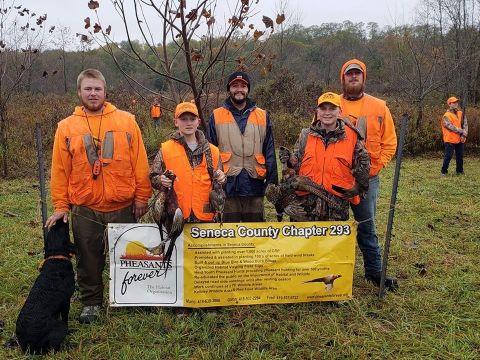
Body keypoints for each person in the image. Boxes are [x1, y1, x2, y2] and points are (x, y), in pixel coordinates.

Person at [45, 69, 152, 324]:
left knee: (128, 254)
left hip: (123, 204)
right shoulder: (66, 127)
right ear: (79, 92)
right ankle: (91, 303)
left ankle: (130, 297)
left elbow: (140, 163)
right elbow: (60, 170)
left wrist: (141, 197)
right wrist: (61, 205)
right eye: (88, 89)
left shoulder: (127, 121)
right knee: (88, 257)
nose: (93, 94)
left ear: (105, 91)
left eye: (97, 89)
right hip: (85, 207)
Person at [338, 59, 398, 290]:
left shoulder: (379, 107)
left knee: (366, 226)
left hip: (367, 181)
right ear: (342, 78)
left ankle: (374, 272)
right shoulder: (330, 104)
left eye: (357, 74)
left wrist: (374, 168)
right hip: (337, 179)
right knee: (335, 226)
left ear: (364, 78)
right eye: (349, 74)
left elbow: (390, 143)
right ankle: (333, 271)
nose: (353, 77)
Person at [279, 92, 370, 221]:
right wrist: (289, 160)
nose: (327, 112)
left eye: (332, 108)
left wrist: (359, 187)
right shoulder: (305, 135)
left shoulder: (352, 137)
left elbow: (364, 164)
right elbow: (296, 165)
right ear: (317, 111)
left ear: (340, 112)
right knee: (305, 241)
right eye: (323, 108)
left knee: (334, 242)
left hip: (336, 207)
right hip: (305, 206)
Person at [207, 71, 278, 222]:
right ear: (229, 89)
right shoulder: (216, 115)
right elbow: (209, 153)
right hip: (226, 187)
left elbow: (270, 150)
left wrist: (272, 183)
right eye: (235, 86)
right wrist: (211, 183)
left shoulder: (263, 115)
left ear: (248, 89)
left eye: (243, 86)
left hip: (255, 186)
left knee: (255, 238)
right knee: (228, 238)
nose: (239, 89)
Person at [150, 101, 226, 222]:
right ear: (176, 122)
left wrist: (222, 177)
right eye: (184, 119)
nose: (188, 123)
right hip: (176, 215)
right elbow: (153, 177)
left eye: (192, 119)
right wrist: (160, 180)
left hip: (205, 216)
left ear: (198, 122)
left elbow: (220, 179)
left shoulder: (213, 151)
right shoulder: (165, 149)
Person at [441, 96, 468, 175]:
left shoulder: (461, 113)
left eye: (456, 102)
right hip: (450, 139)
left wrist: (464, 135)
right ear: (449, 104)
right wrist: (461, 131)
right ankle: (444, 171)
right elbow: (450, 127)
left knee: (460, 156)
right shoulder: (446, 115)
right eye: (454, 102)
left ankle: (459, 171)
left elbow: (465, 124)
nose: (456, 104)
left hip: (460, 139)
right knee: (448, 156)